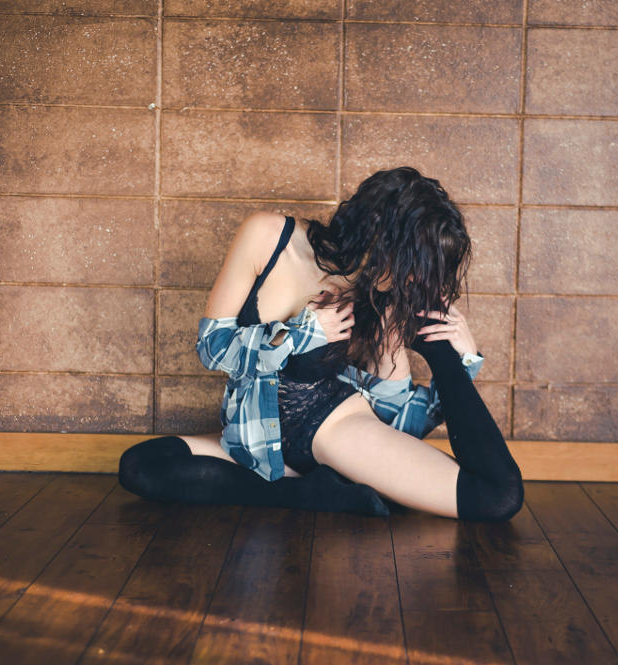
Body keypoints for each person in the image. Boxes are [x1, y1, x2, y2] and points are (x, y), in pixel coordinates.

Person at [118, 166, 523, 521]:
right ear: (380, 234)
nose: (415, 280)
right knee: (140, 465)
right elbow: (212, 347)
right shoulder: (269, 238)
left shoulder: (381, 296)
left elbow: (397, 421)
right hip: (255, 439)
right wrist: (300, 335)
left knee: (495, 497)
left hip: (335, 429)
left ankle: (317, 486)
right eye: (415, 265)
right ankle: (308, 494)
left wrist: (457, 364)